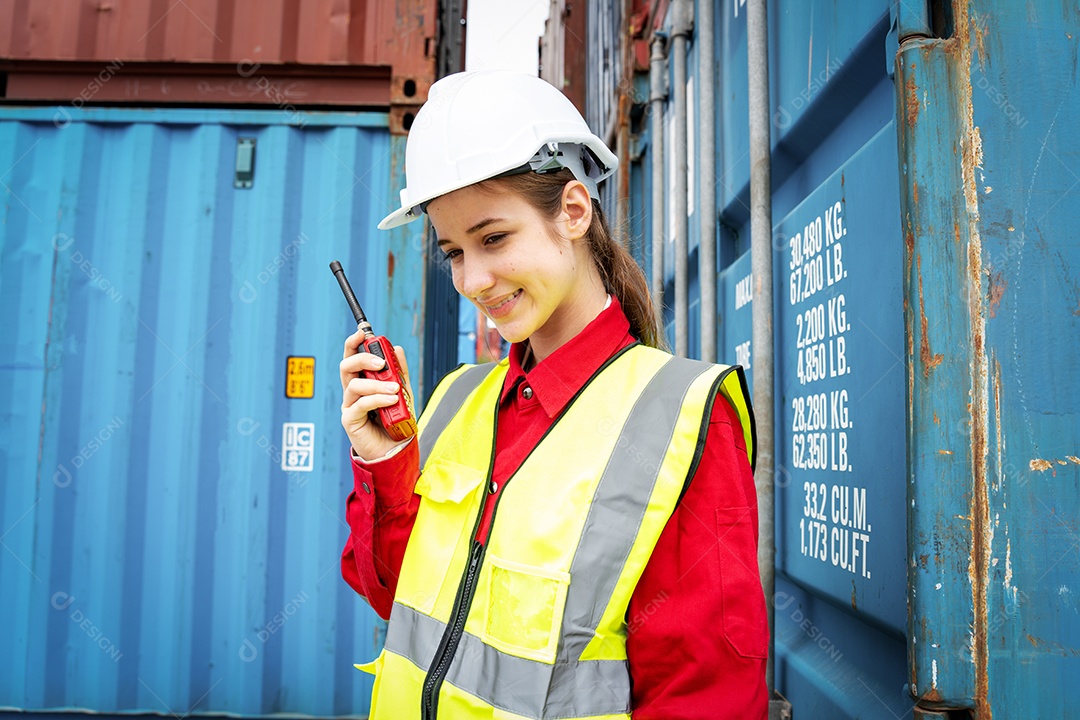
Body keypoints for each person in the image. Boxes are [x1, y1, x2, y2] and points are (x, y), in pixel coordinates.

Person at [339, 70, 768, 719]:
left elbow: (706, 693)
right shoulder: (458, 399)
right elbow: (403, 600)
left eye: (493, 238)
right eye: (452, 251)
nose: (473, 280)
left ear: (572, 210)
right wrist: (384, 463)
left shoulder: (682, 419)